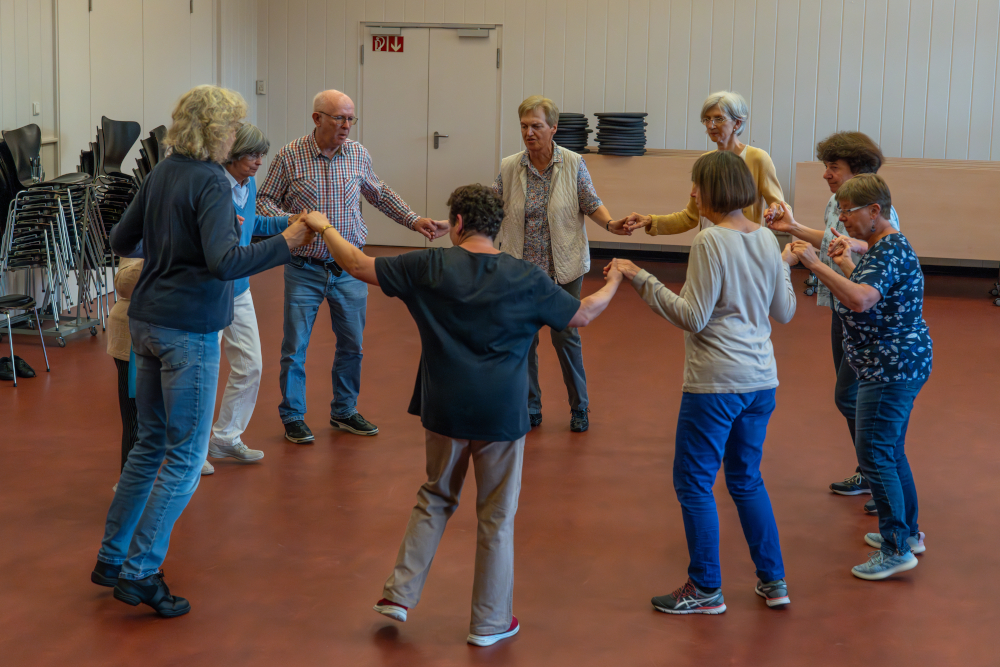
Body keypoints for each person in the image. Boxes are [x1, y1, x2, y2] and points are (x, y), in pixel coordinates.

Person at [301, 184, 623, 645]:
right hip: (502, 417)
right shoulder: (525, 277)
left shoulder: (428, 265)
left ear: (455, 223)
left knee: (435, 495)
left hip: (445, 409)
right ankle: (490, 624)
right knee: (496, 516)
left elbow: (355, 263)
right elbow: (583, 315)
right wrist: (615, 279)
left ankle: (399, 594)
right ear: (499, 227)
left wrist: (323, 224)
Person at [90, 85, 316, 617]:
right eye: (234, 126)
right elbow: (226, 262)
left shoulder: (165, 171)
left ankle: (111, 556)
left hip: (146, 322)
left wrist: (173, 247)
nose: (239, 135)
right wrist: (287, 245)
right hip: (187, 331)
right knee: (186, 460)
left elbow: (124, 240)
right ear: (218, 130)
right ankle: (141, 572)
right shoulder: (213, 181)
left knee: (148, 446)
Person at [612, 151, 797, 613]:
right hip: (761, 381)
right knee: (746, 479)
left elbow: (692, 317)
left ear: (712, 190)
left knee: (694, 482)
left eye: (695, 187)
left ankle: (705, 587)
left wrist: (641, 278)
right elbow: (786, 311)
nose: (691, 195)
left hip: (716, 383)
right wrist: (784, 267)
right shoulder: (767, 242)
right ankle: (774, 581)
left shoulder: (711, 242)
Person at [257, 89, 449, 444]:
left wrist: (413, 220)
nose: (346, 125)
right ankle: (293, 416)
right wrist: (290, 220)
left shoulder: (358, 154)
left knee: (352, 346)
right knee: (295, 347)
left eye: (350, 118)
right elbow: (264, 199)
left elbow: (379, 193)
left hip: (349, 270)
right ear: (317, 119)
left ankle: (344, 411)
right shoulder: (289, 156)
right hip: (304, 269)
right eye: (339, 118)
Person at [790, 174, 931, 580]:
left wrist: (816, 265)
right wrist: (843, 260)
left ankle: (895, 548)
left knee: (874, 452)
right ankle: (909, 534)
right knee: (891, 450)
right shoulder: (886, 246)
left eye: (847, 212)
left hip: (891, 368)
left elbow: (861, 298)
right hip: (895, 362)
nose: (843, 220)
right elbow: (868, 284)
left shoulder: (888, 250)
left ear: (875, 211)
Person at [765, 132, 900, 514]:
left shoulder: (881, 218)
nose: (826, 174)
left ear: (857, 171)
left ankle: (878, 474)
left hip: (867, 321)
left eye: (833, 167)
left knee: (850, 397)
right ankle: (867, 469)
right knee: (851, 398)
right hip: (842, 313)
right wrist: (792, 228)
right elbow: (832, 239)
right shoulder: (838, 203)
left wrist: (811, 261)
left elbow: (866, 278)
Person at [493, 95, 627, 432]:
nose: (529, 132)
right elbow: (492, 206)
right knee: (524, 341)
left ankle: (579, 407)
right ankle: (531, 406)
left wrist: (611, 225)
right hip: (520, 270)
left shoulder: (573, 163)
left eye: (536, 126)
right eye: (524, 126)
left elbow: (591, 203)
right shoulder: (511, 166)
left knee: (565, 337)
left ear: (553, 128)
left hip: (562, 269)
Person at [204, 123, 294, 473]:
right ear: (231, 154)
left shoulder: (248, 183)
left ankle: (225, 438)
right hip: (209, 290)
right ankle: (192, 453)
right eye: (252, 155)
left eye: (261, 155)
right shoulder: (211, 186)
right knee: (204, 373)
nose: (259, 162)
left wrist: (291, 221)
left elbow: (253, 226)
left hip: (240, 287)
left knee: (251, 364)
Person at [620, 91, 783, 235]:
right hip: (710, 245)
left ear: (737, 123)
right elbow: (690, 217)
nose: (711, 125)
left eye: (718, 119)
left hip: (745, 248)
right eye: (707, 119)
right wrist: (650, 220)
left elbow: (781, 206)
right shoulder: (706, 162)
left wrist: (776, 209)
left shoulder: (758, 158)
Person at [107, 257, 142, 488]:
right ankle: (129, 484)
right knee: (135, 419)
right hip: (133, 336)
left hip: (176, 334)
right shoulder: (141, 227)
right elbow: (124, 283)